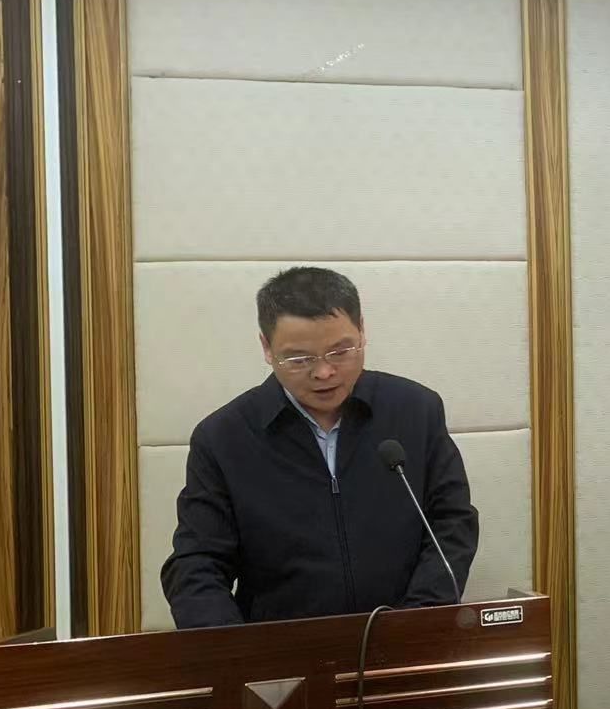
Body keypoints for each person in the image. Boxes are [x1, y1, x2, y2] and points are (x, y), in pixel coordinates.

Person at [161, 266, 478, 628]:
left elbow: (451, 523)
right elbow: (197, 564)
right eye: (300, 359)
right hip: (282, 650)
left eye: (340, 351)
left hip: (406, 637)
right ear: (266, 348)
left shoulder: (415, 410)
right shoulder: (223, 438)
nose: (324, 372)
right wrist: (234, 651)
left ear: (362, 331)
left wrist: (416, 621)